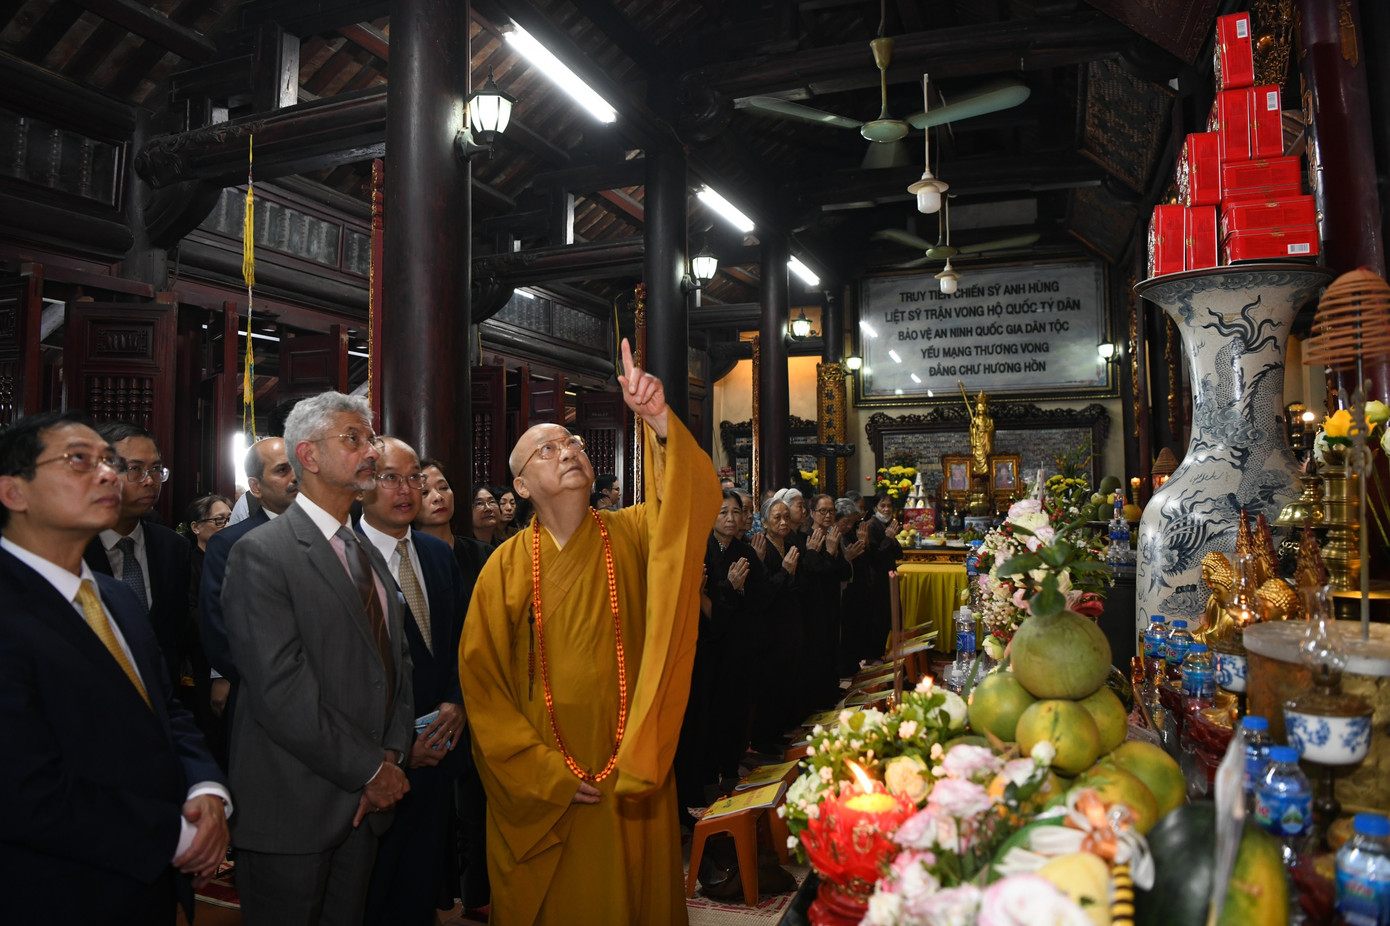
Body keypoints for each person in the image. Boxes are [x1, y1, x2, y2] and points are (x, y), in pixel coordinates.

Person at [461, 339, 719, 925]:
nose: (568, 451)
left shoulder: (632, 533)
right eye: (546, 449)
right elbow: (482, 689)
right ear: (521, 487)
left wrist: (657, 421)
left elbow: (688, 505)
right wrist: (539, 773)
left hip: (630, 760)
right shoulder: (502, 569)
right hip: (550, 777)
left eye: (572, 441)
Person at [0, 410, 230, 922]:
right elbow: (21, 788)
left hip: (145, 886)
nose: (107, 475)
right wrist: (173, 832)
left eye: (108, 462)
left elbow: (163, 708)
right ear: (14, 492)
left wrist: (206, 789)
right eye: (79, 461)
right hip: (53, 887)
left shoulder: (112, 597)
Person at [222, 392, 414, 924]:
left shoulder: (366, 550)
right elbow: (280, 689)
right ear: (307, 456)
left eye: (371, 439)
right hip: (294, 805)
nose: (371, 452)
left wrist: (394, 754)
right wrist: (371, 767)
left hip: (365, 804)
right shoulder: (262, 553)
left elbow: (396, 664)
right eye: (354, 439)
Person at [359, 438, 468, 926]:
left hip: (442, 745)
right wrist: (401, 745)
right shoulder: (346, 558)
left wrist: (456, 702)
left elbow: (463, 643)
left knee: (423, 883)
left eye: (414, 480)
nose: (406, 491)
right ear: (362, 482)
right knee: (375, 890)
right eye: (390, 478)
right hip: (377, 759)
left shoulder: (436, 553)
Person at [414, 458, 492, 917]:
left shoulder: (480, 554)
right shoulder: (409, 555)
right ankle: (444, 893)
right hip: (437, 693)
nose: (437, 496)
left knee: (479, 797)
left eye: (443, 486)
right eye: (425, 490)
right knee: (440, 799)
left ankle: (478, 890)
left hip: (484, 685)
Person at [198, 437, 299, 736]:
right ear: (256, 487)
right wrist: (269, 681)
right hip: (261, 699)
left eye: (299, 467)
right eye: (282, 470)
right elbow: (217, 627)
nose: (295, 478)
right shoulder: (228, 543)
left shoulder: (328, 535)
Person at [83, 421, 191, 694]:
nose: (150, 481)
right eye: (135, 469)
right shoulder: (72, 550)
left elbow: (176, 631)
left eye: (156, 469)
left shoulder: (173, 547)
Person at [184, 493, 232, 767]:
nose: (226, 525)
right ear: (196, 527)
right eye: (218, 520)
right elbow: (193, 615)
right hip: (201, 665)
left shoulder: (234, 559)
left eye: (229, 518)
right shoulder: (189, 564)